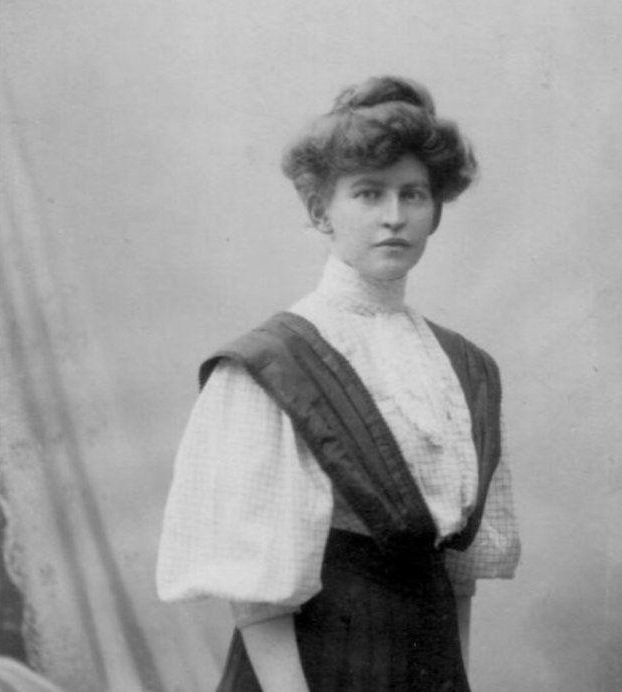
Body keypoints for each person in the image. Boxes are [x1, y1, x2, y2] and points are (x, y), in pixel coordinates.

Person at [156, 75, 521, 692]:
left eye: (413, 194)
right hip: (312, 664)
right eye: (368, 194)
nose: (394, 217)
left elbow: (459, 576)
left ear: (435, 210)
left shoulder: (465, 366)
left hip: (429, 663)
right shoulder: (273, 362)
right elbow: (257, 598)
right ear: (321, 210)